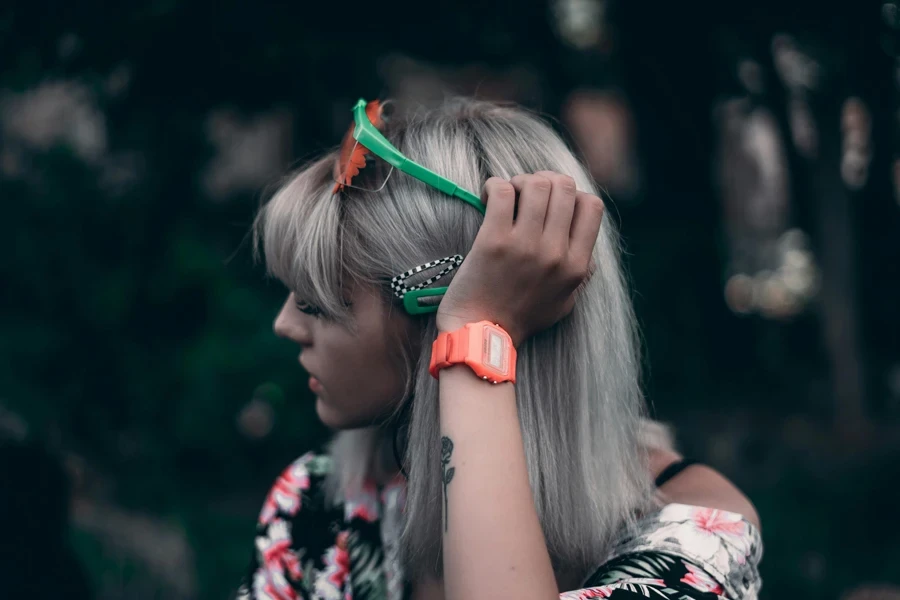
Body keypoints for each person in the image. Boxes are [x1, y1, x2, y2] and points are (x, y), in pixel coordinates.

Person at [236, 98, 762, 600]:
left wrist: (475, 328)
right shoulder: (320, 503)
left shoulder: (696, 530)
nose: (284, 325)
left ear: (434, 306)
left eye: (316, 304)